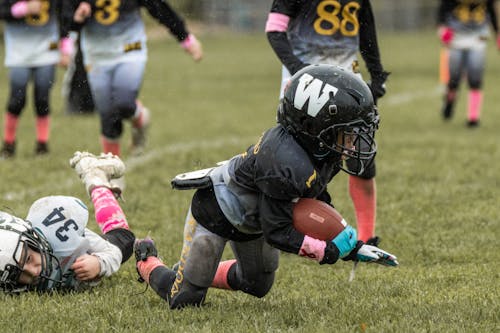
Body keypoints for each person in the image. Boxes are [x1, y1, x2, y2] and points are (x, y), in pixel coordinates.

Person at [134, 65, 398, 309]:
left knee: (257, 285)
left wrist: (349, 243)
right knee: (185, 299)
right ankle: (148, 263)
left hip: (256, 217)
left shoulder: (319, 151)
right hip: (216, 211)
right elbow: (278, 232)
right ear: (317, 127)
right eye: (348, 134)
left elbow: (316, 202)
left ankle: (196, 271)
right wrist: (325, 252)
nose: (353, 145)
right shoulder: (284, 161)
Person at [264, 0, 389, 245]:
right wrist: (300, 70)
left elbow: (366, 31)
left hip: (349, 84)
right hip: (306, 86)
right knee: (296, 162)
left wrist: (377, 74)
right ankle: (286, 229)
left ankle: (366, 235)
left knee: (360, 155)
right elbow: (274, 30)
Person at [62, 0, 203, 157]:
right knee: (107, 115)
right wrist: (75, 24)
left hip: (129, 49)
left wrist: (186, 39)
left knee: (123, 102)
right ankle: (114, 176)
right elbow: (66, 18)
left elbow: (159, 8)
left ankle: (139, 116)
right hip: (97, 56)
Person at [0, 151, 135, 292]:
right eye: (19, 274)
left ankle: (95, 178)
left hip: (95, 247)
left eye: (28, 259)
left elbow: (112, 252)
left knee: (124, 238)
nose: (33, 272)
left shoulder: (58, 232)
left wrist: (99, 263)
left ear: (32, 239)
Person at [0, 0, 73, 158]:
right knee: (17, 99)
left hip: (46, 50)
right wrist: (22, 9)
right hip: (19, 53)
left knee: (42, 98)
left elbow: (64, 15)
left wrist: (66, 47)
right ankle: (8, 144)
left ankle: (42, 144)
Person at [437, 0, 499, 127]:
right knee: (454, 80)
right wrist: (442, 29)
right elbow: (442, 11)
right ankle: (449, 102)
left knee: (475, 79)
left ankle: (473, 118)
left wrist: (497, 34)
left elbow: (491, 12)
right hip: (456, 39)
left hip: (478, 39)